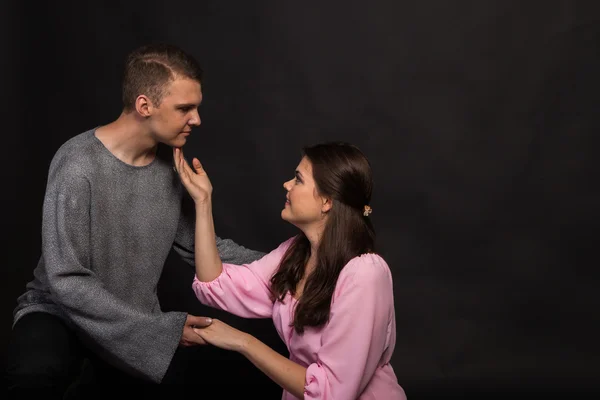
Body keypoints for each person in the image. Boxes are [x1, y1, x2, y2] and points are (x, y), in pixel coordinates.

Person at [3, 43, 264, 398]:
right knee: (33, 378)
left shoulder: (172, 170)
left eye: (197, 108)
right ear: (145, 105)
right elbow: (66, 280)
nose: (197, 119)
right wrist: (160, 330)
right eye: (185, 108)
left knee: (214, 381)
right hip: (59, 313)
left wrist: (295, 261)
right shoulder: (77, 164)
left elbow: (206, 250)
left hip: (133, 323)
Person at [173, 142, 406, 399]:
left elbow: (331, 393)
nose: (287, 185)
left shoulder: (365, 274)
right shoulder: (294, 253)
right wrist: (203, 201)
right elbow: (215, 285)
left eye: (298, 179)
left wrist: (243, 342)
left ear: (327, 201)